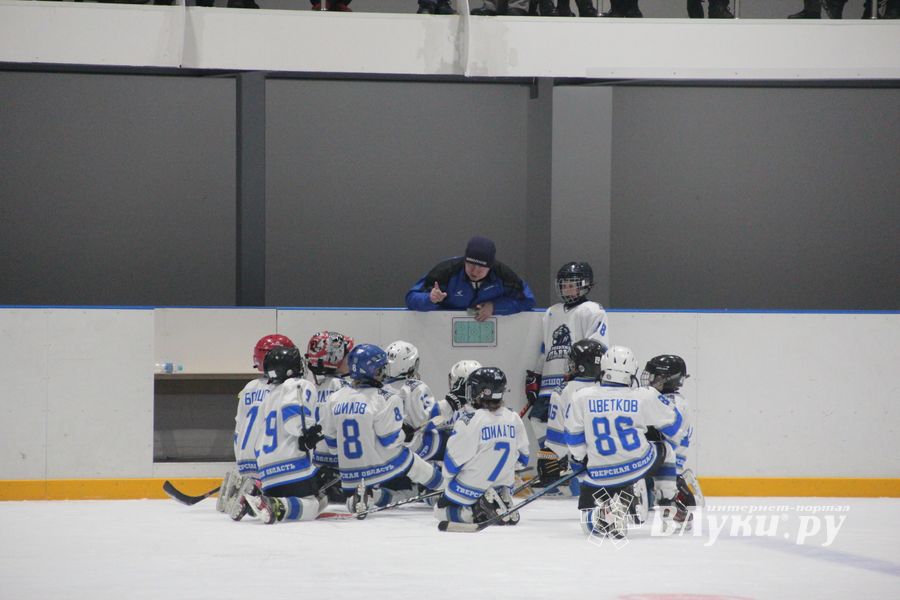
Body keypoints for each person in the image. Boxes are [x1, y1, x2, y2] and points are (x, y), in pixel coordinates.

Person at [566, 345, 684, 539]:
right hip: (638, 465)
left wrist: (583, 459)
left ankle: (608, 504)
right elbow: (674, 425)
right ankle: (667, 502)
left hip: (598, 472)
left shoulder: (581, 396)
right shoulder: (644, 395)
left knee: (590, 527)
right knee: (667, 449)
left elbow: (572, 437)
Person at [320, 344, 444, 515]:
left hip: (349, 474)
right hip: (382, 466)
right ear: (373, 370)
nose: (384, 371)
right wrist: (403, 432)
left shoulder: (334, 398)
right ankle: (446, 489)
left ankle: (369, 496)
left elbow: (333, 445)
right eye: (381, 368)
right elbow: (390, 441)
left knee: (401, 491)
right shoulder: (385, 397)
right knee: (412, 462)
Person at [526, 262, 608, 461]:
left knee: (574, 425)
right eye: (564, 284)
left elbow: (597, 348)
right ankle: (552, 468)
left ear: (585, 284)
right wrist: (536, 375)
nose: (567, 288)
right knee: (537, 419)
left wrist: (583, 374)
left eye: (572, 284)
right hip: (549, 384)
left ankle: (571, 466)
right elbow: (545, 348)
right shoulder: (551, 312)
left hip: (576, 384)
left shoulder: (592, 310)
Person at [235, 346, 327, 524]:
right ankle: (277, 506)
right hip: (292, 465)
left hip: (266, 472)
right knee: (316, 504)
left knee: (306, 496)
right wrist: (308, 433)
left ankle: (259, 499)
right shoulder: (300, 385)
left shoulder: (268, 395)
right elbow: (294, 417)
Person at [435, 367, 531, 525]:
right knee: (500, 477)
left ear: (480, 392)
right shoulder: (513, 417)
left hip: (471, 485)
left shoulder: (469, 420)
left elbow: (451, 466)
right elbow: (523, 459)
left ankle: (477, 511)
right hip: (505, 483)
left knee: (439, 512)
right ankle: (499, 496)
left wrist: (449, 483)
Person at [216, 333, 295, 516]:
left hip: (243, 459)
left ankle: (241, 487)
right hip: (266, 460)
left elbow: (239, 426)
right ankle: (257, 491)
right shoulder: (282, 389)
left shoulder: (249, 387)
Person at [405, 235, 536, 322]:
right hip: (441, 333)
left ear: (490, 266)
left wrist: (495, 307)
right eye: (471, 264)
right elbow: (410, 298)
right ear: (464, 260)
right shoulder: (445, 272)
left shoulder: (504, 276)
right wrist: (430, 299)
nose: (474, 271)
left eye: (481, 267)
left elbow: (528, 301)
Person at [536, 338, 607, 496]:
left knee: (586, 499)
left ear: (581, 366)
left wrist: (548, 459)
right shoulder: (613, 389)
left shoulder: (563, 391)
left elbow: (557, 441)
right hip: (621, 459)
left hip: (585, 464)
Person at [304, 330, 354, 503]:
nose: (350, 359)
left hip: (316, 469)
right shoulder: (345, 388)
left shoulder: (310, 388)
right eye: (347, 355)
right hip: (343, 472)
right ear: (335, 358)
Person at [642, 355, 697, 507]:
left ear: (667, 378)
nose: (650, 379)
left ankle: (674, 490)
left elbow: (667, 437)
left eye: (654, 376)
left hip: (666, 466)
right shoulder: (674, 400)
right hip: (669, 462)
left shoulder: (670, 402)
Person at [382, 341, 444, 462]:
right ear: (410, 364)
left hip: (386, 452)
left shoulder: (379, 388)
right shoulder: (417, 387)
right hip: (415, 448)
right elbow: (431, 419)